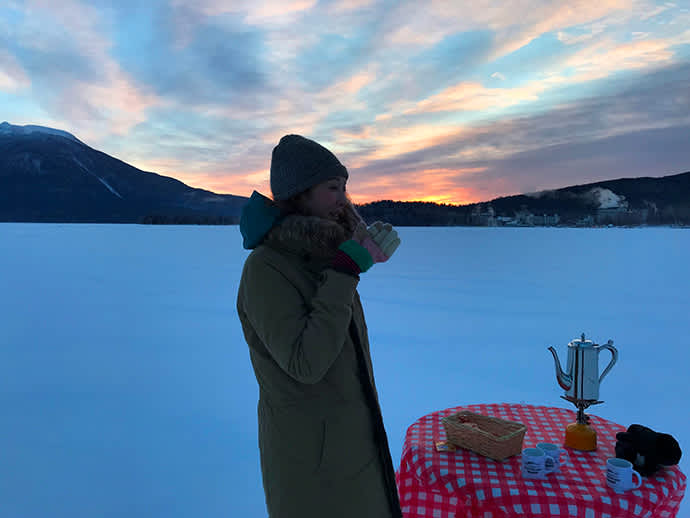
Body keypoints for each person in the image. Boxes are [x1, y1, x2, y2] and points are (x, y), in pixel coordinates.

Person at [236, 134, 403, 518]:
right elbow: (306, 363)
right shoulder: (266, 268)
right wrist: (345, 272)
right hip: (311, 464)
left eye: (345, 187)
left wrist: (354, 259)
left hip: (356, 446)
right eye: (332, 188)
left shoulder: (322, 258)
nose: (343, 198)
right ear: (300, 194)